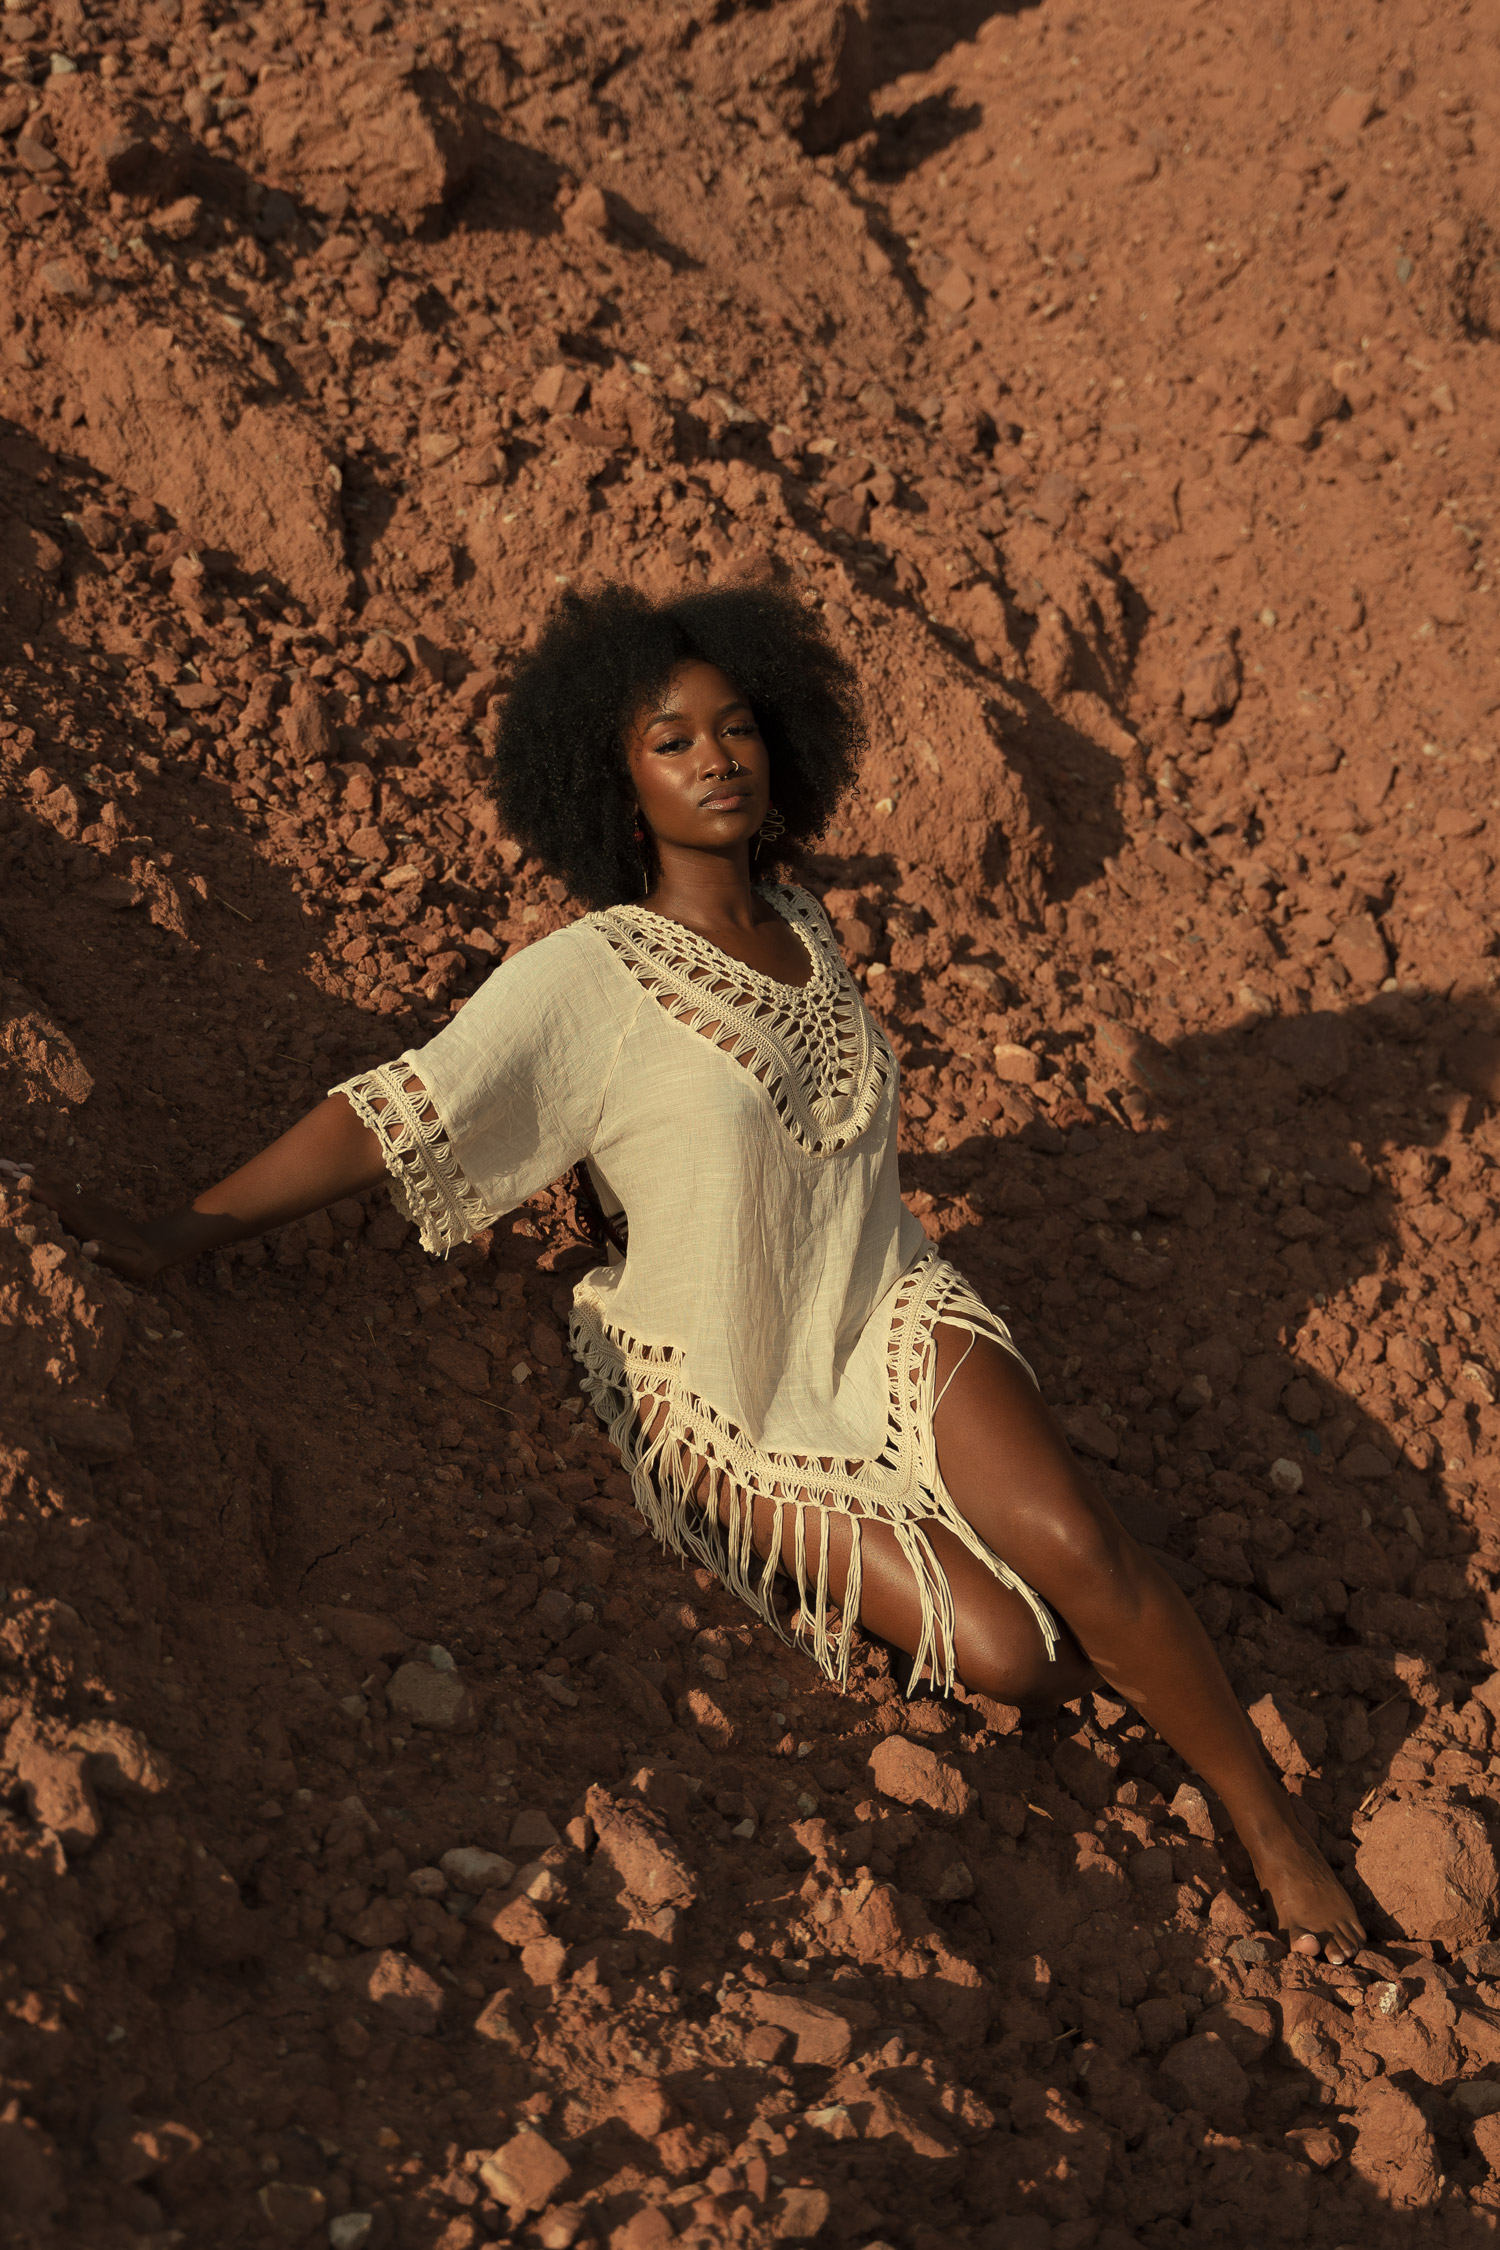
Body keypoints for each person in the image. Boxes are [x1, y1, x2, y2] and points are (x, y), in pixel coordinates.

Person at [19, 580, 1365, 1962]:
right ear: (615, 775)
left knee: (1080, 1549)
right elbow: (403, 1107)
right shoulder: (591, 972)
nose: (717, 757)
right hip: (722, 1377)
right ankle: (1058, 1573)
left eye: (736, 728)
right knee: (1022, 1656)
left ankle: (1274, 1828)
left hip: (885, 1302)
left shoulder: (806, 925)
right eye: (672, 738)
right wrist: (180, 1233)